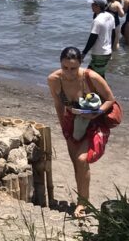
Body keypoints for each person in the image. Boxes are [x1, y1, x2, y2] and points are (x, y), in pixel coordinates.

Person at [48, 46, 119, 218]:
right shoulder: (54, 80)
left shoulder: (90, 77)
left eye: (73, 68)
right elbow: (58, 104)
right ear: (60, 64)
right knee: (76, 164)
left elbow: (111, 99)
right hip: (71, 122)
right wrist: (63, 125)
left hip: (94, 121)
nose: (69, 72)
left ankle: (82, 203)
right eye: (65, 67)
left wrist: (97, 112)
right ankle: (82, 200)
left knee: (82, 159)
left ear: (80, 64)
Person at [81, 0, 115, 77]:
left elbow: (92, 38)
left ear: (98, 6)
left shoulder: (97, 21)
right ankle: (101, 89)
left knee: (93, 77)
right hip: (107, 52)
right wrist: (111, 49)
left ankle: (104, 90)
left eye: (93, 4)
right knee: (97, 76)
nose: (91, 6)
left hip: (99, 54)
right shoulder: (110, 16)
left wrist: (84, 53)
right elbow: (114, 34)